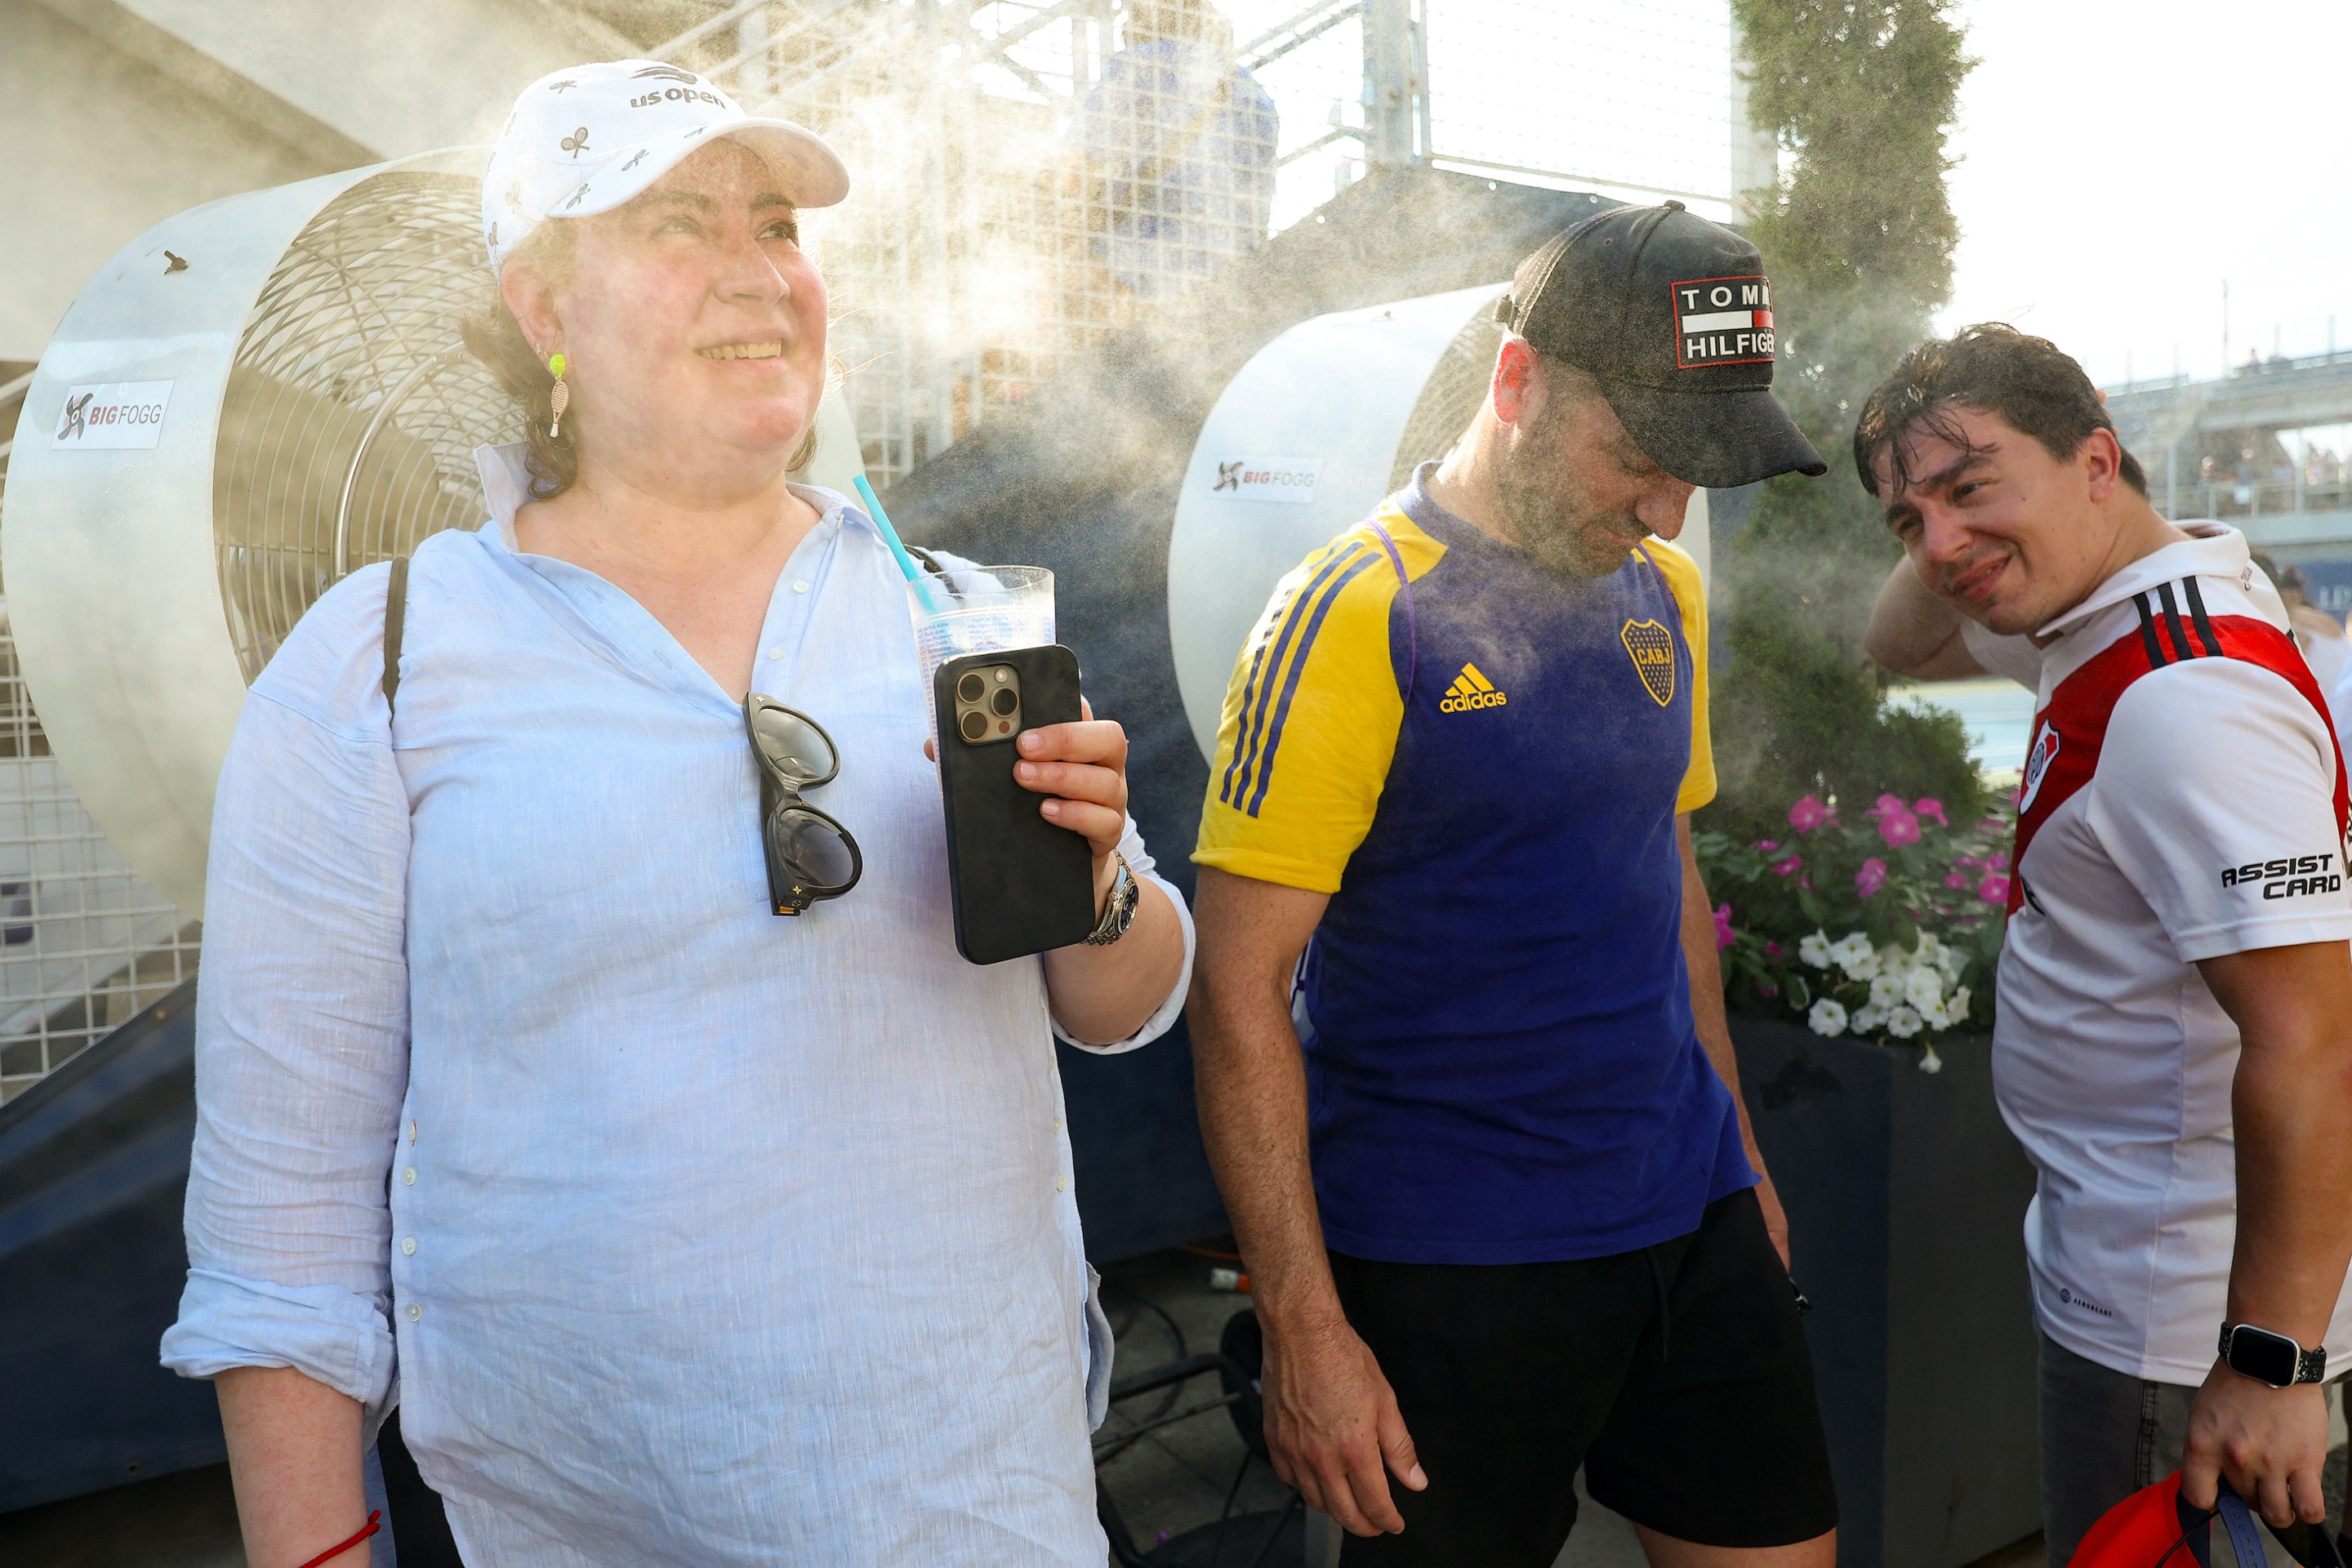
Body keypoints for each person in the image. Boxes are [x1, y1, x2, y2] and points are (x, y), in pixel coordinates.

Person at [158, 60, 1193, 1566]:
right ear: (544, 308)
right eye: (676, 225)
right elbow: (281, 1219)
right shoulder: (380, 664)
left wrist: (1099, 883)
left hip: (982, 1508)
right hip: (583, 1526)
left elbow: (1128, 1005)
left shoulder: (958, 618)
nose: (759, 274)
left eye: (775, 224)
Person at [1187, 204, 1840, 1566]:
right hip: (1453, 1263)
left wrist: (1742, 1155)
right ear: (1518, 383)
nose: (1668, 510)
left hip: (1690, 1205)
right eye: (1642, 459)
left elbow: (1662, 875)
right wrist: (1306, 1327)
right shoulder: (1356, 611)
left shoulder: (1664, 591)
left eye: (1698, 475)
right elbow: (1234, 989)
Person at [1857, 325, 2352, 1567]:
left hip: (2182, 1331)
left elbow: (2316, 1044)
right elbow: (1894, 646)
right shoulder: (2109, 609)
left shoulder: (2181, 698)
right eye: (1907, 523)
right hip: (2145, 1279)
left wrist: (2272, 1364)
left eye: (1974, 488)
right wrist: (1955, 514)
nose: (1940, 547)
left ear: (2098, 461)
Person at [1070, 0, 1277, 304]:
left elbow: (1076, 167)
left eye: (1132, 14)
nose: (1125, 28)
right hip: (1231, 279)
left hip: (1141, 274)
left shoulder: (1141, 63)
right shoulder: (1258, 99)